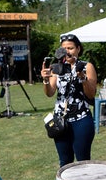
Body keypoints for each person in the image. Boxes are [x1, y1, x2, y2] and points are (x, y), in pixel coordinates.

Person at [41, 34, 97, 167]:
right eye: (64, 48)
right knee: (64, 161)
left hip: (81, 118)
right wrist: (45, 80)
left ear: (78, 49)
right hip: (60, 121)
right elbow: (50, 93)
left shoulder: (86, 66)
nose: (67, 51)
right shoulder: (56, 68)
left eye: (70, 48)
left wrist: (82, 77)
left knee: (83, 160)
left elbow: (91, 94)